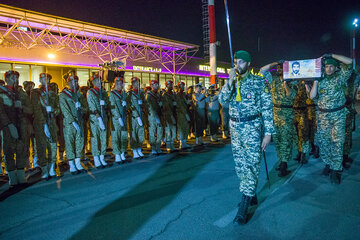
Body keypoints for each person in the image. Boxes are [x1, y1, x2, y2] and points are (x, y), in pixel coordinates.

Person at [219, 50, 274, 224]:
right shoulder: (233, 81)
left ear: (249, 64)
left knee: (251, 164)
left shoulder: (259, 82)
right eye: (235, 62)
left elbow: (267, 108)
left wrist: (268, 133)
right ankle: (251, 193)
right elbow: (223, 100)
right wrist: (229, 81)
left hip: (251, 128)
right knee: (241, 166)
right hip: (235, 129)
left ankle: (244, 204)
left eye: (241, 62)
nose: (237, 65)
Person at [309, 54, 353, 184]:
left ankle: (336, 170)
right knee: (324, 143)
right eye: (326, 66)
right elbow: (312, 97)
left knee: (337, 143)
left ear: (335, 68)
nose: (328, 69)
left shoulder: (340, 78)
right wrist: (315, 81)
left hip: (337, 116)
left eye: (331, 66)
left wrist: (332, 55)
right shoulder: (320, 80)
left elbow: (350, 62)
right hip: (323, 117)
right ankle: (328, 164)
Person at [260, 61, 296, 177]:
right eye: (279, 68)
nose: (280, 69)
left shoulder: (293, 81)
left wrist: (285, 84)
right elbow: (262, 70)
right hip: (275, 113)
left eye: (282, 68)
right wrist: (275, 63)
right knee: (278, 140)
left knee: (286, 140)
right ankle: (281, 161)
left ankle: (284, 164)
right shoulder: (273, 79)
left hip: (287, 114)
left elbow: (292, 95)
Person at [0, 70, 33, 188]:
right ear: (7, 78)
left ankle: (20, 176)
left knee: (22, 151)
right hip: (8, 126)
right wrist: (8, 124)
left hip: (22, 125)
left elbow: (30, 109)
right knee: (8, 151)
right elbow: (1, 111)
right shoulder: (1, 92)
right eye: (13, 77)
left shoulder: (21, 93)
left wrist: (22, 107)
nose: (15, 80)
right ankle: (12, 178)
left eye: (17, 77)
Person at [31, 73, 60, 179]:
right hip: (40, 124)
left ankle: (51, 167)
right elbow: (36, 109)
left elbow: (58, 108)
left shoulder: (53, 94)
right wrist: (44, 124)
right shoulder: (35, 93)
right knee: (42, 147)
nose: (45, 80)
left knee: (52, 146)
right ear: (40, 80)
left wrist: (53, 111)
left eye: (47, 78)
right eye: (43, 79)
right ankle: (44, 169)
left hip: (52, 123)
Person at [59, 73, 89, 174]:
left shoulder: (79, 95)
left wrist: (80, 107)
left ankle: (78, 163)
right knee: (70, 143)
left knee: (79, 142)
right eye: (72, 81)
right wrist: (73, 121)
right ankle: (72, 165)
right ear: (68, 83)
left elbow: (86, 109)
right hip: (69, 124)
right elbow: (65, 110)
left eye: (76, 81)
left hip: (79, 121)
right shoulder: (63, 95)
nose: (74, 83)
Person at [87, 72, 110, 168]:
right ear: (93, 82)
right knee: (95, 138)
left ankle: (102, 156)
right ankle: (96, 157)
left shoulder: (103, 92)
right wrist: (98, 117)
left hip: (103, 116)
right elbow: (91, 105)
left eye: (99, 80)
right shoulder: (90, 92)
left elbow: (108, 104)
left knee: (103, 137)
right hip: (95, 118)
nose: (99, 82)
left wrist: (104, 103)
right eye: (96, 81)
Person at [342, 69, 360, 168]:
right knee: (342, 136)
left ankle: (345, 156)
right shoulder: (341, 80)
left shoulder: (353, 81)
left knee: (347, 135)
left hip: (349, 111)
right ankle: (341, 159)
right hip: (341, 111)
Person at [109, 76, 129, 164]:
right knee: (116, 136)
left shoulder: (124, 94)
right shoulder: (112, 94)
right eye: (117, 84)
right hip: (116, 119)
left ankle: (122, 152)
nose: (118, 85)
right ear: (114, 85)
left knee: (123, 136)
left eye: (120, 83)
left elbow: (128, 107)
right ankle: (117, 154)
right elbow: (113, 107)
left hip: (124, 117)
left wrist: (126, 105)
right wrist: (118, 117)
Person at [128, 77, 145, 159]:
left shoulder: (141, 93)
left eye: (138, 83)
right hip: (134, 117)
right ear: (132, 84)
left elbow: (144, 104)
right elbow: (129, 106)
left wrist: (142, 105)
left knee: (140, 133)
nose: (136, 84)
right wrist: (136, 115)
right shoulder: (130, 93)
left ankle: (139, 148)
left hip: (141, 115)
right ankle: (134, 150)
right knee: (134, 133)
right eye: (135, 83)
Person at [293, 81, 310, 164]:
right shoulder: (292, 82)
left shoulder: (305, 82)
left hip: (303, 111)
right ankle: (299, 153)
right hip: (293, 111)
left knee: (303, 134)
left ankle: (303, 154)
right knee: (296, 135)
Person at [146, 80, 164, 155]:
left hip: (159, 115)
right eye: (155, 85)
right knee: (152, 132)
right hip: (152, 116)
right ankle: (153, 148)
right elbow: (149, 106)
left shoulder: (159, 95)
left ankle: (158, 147)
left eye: (157, 85)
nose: (157, 86)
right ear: (152, 86)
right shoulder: (149, 95)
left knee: (160, 131)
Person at [162, 80, 177, 152]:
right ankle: (168, 146)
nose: (171, 86)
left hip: (173, 114)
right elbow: (166, 106)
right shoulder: (165, 95)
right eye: (169, 85)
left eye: (171, 85)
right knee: (168, 131)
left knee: (173, 131)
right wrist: (170, 115)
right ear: (166, 86)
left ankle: (172, 145)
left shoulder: (173, 94)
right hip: (168, 115)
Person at [175, 81, 191, 149]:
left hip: (186, 112)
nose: (183, 87)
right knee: (181, 128)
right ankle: (181, 143)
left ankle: (185, 142)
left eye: (183, 86)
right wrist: (185, 114)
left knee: (186, 128)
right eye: (181, 86)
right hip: (181, 114)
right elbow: (180, 106)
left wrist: (188, 103)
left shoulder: (184, 95)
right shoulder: (177, 95)